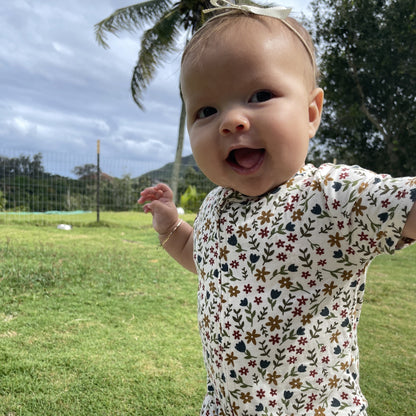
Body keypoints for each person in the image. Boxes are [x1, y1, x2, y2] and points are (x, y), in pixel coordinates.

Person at [138, 1, 416, 415]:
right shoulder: (216, 204)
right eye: (206, 110)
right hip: (226, 405)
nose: (231, 120)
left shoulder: (330, 196)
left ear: (310, 113)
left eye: (261, 95)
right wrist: (171, 227)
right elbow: (206, 260)